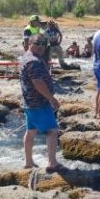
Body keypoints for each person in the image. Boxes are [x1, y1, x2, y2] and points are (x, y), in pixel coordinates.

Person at [20, 33, 63, 172]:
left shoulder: (25, 58)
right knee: (52, 131)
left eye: (43, 44)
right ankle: (52, 162)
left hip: (29, 102)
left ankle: (28, 162)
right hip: (39, 103)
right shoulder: (34, 61)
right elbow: (38, 83)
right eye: (37, 43)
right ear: (29, 43)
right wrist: (52, 99)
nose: (40, 47)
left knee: (30, 131)